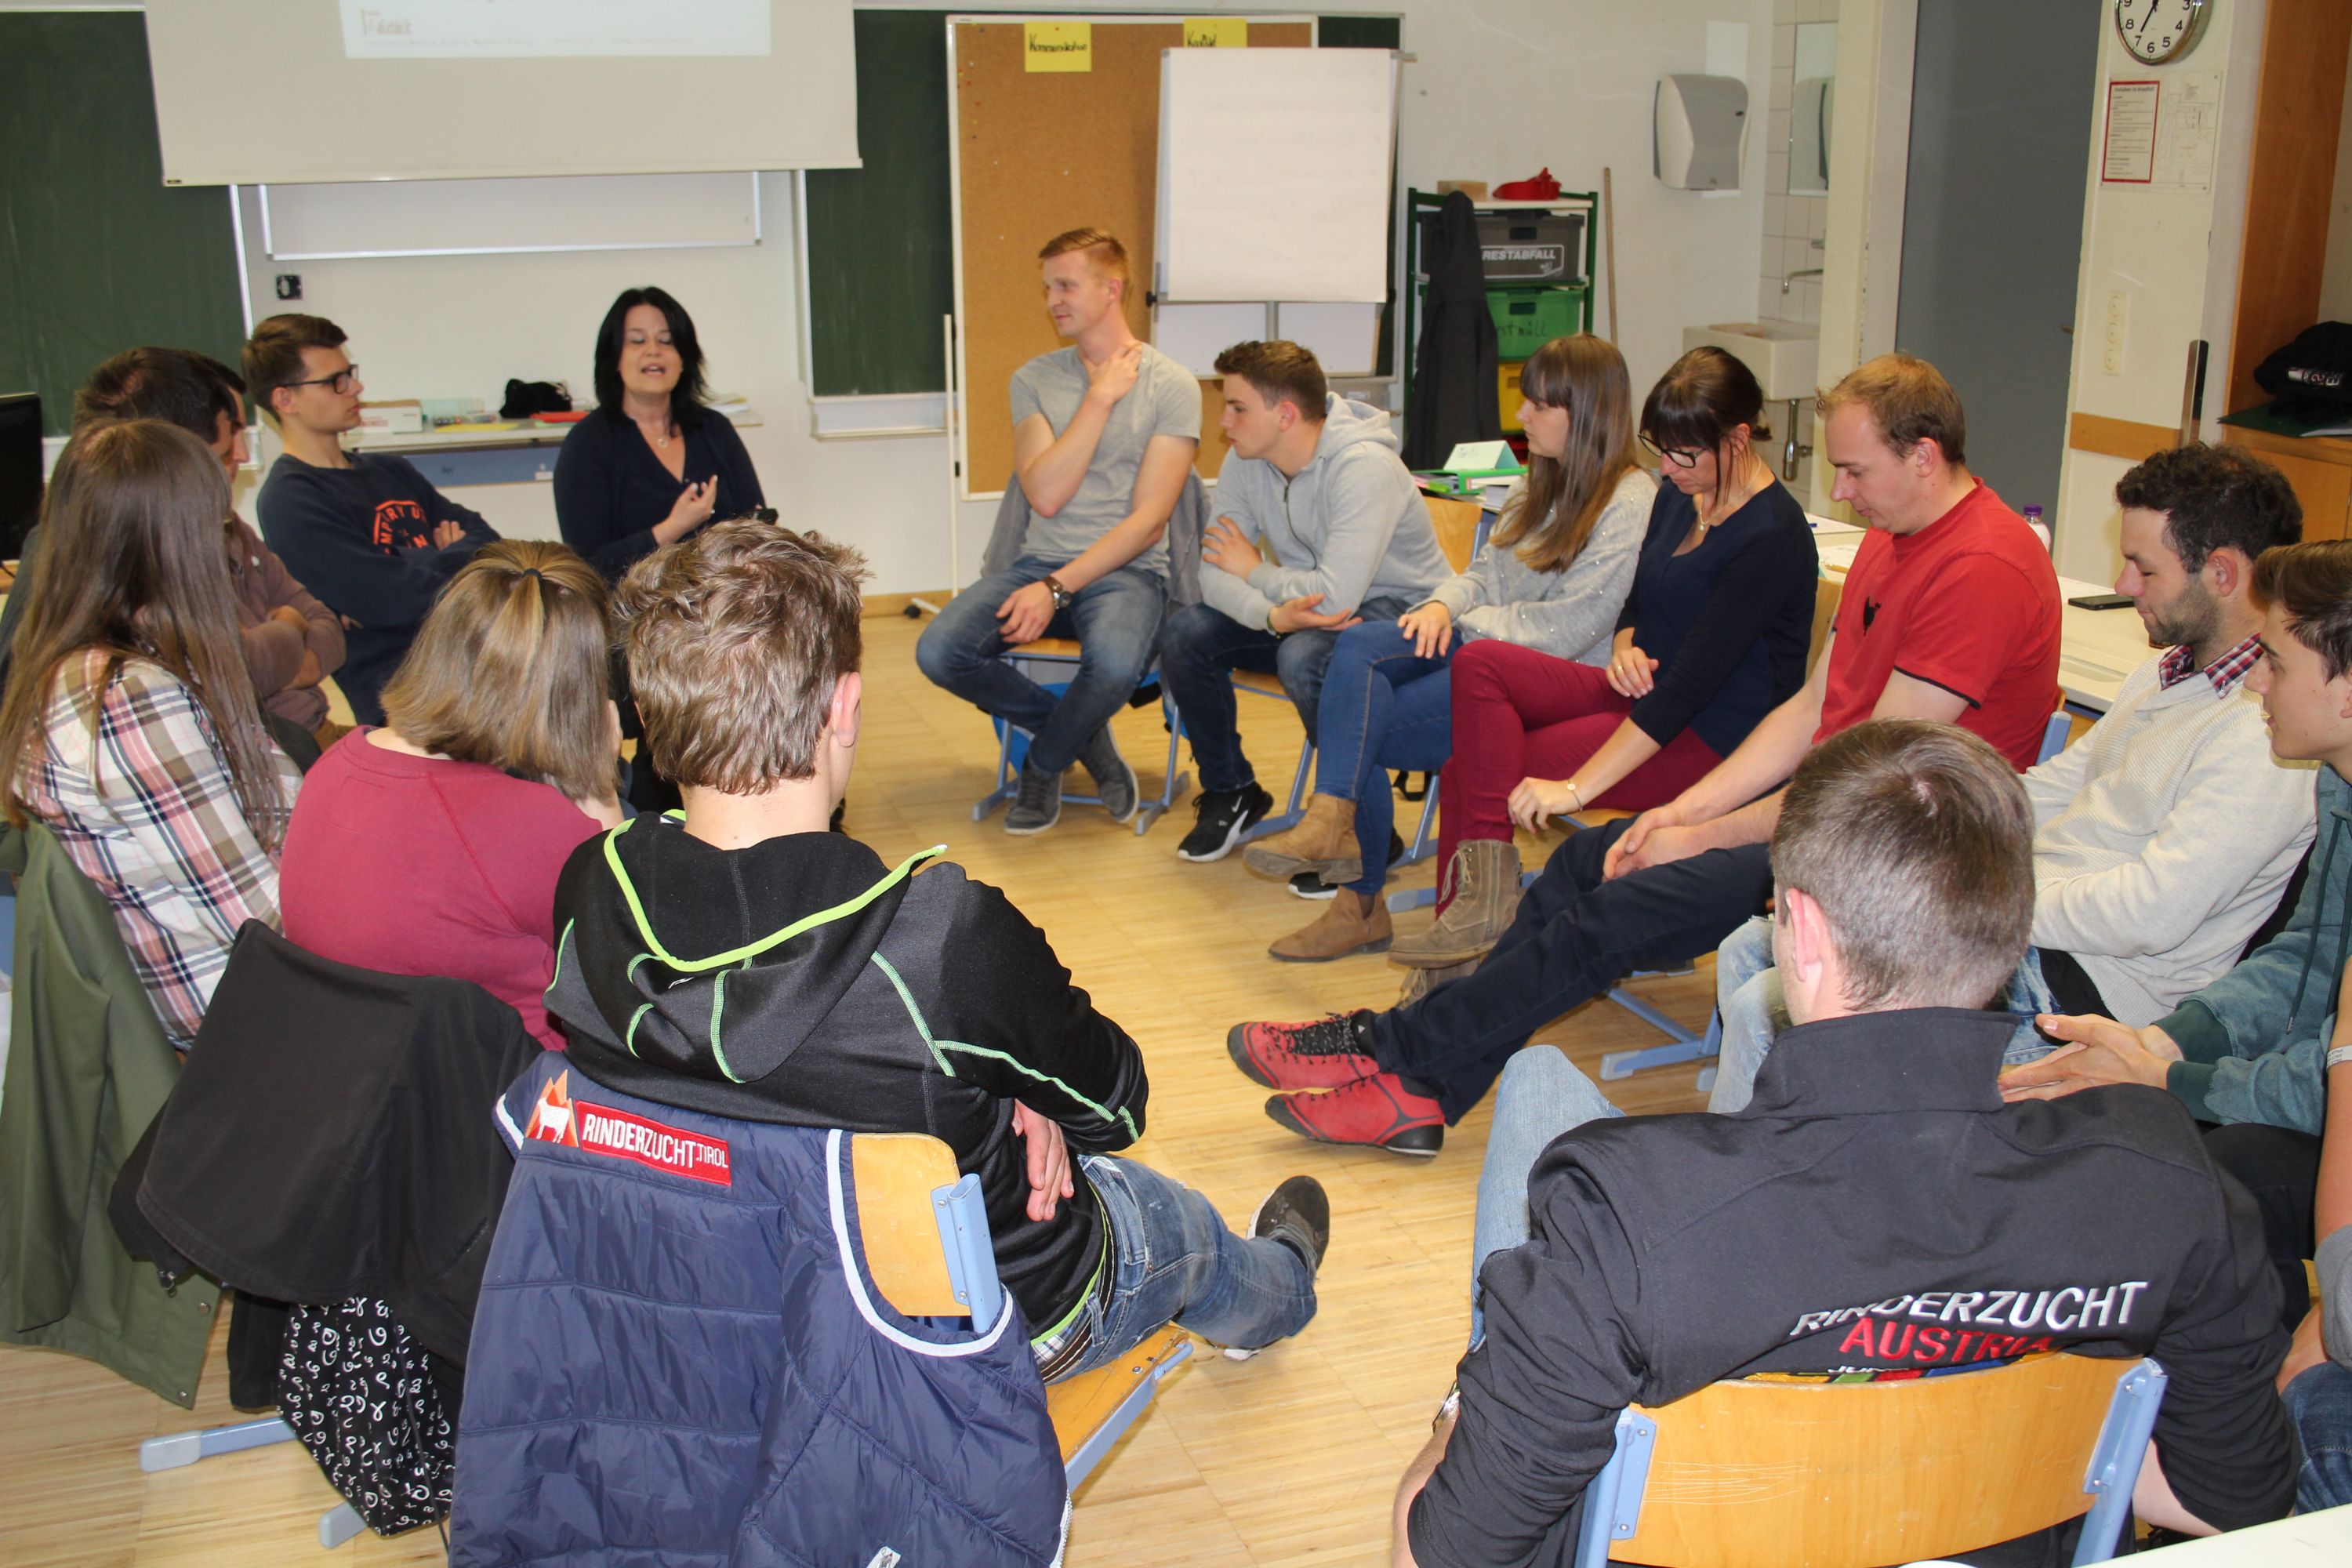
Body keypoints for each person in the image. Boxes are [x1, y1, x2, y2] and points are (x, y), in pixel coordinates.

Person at [1388, 720, 2297, 1567]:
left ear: (1806, 933)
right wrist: (2004, 1449)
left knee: (1541, 1079)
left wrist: (1472, 1398)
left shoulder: (1625, 1216)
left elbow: (1438, 1551)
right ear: (2008, 930)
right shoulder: (2167, 1185)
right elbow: (2230, 1500)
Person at [546, 517, 1327, 1380]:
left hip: (727, 1323)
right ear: (845, 707)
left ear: (647, 710)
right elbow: (1116, 1109)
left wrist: (995, 1071)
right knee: (1171, 1221)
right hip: (973, 1332)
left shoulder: (592, 887)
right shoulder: (940, 938)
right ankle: (1282, 1284)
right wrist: (1020, 1083)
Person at [1229, 353, 2061, 1155]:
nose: (1839, 491)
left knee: (1614, 909)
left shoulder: (1982, 566)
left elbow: (1871, 788)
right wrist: (1678, 812)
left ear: (1923, 456)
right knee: (1580, 865)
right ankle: (1419, 1087)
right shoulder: (1891, 533)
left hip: (1900, 864)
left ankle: (1392, 1052)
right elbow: (1809, 710)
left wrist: (1701, 834)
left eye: (1854, 470)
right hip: (1832, 822)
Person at [1711, 441, 2312, 1112]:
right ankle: (1806, 1139)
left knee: (1766, 1010)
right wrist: (1899, 862)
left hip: (2090, 993)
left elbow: (2149, 914)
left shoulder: (2266, 735)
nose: (2123, 585)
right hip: (2027, 937)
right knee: (1753, 949)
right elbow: (2048, 790)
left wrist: (1974, 903)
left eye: (2144, 568)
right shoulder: (2166, 672)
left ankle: (1777, 1156)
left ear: (2221, 573)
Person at [1384, 346, 1816, 978]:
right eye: (1659, 449)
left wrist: (1575, 789)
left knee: (1469, 771)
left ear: (1738, 439)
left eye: (1682, 454)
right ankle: (1479, 928)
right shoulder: (1683, 494)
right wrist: (1624, 645)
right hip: (1643, 695)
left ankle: (1467, 957)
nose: (1665, 468)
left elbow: (1689, 692)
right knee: (1482, 664)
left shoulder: (1770, 537)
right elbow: (1636, 601)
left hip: (1710, 736)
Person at [1234, 335, 1654, 961]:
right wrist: (1440, 605)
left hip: (1555, 681)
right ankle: (1336, 832)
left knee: (1355, 718)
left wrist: (1465, 623)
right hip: (1489, 650)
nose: (1521, 415)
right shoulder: (1537, 483)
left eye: (1540, 405)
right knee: (1356, 654)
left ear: (1587, 411)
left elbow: (1573, 627)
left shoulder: (1629, 499)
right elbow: (1482, 573)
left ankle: (1355, 892)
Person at [2002, 538, 2352, 1138]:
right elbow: (2305, 961)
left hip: (2099, 983)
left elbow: (2326, 1088)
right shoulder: (2337, 785)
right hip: (2100, 986)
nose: (2254, 681)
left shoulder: (2272, 754)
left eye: (2276, 663)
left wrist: (2167, 1077)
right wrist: (2162, 1044)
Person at [0, 420, 300, 1050]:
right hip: (240, 1012)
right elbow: (259, 918)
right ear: (175, 545)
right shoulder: (127, 698)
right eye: (215, 526)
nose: (225, 549)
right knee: (472, 1008)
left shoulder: (112, 661)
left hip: (245, 983)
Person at [277, 541, 621, 1051]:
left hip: (356, 1062)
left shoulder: (333, 765)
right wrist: (599, 782)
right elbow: (633, 963)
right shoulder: (531, 826)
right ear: (575, 690)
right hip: (512, 1083)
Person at [914, 228, 1200, 834]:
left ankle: (1043, 766)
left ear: (1112, 288)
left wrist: (1057, 589)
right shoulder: (1034, 379)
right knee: (939, 652)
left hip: (1127, 573)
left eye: (1065, 286)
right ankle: (1084, 739)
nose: (1052, 301)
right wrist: (1098, 400)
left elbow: (1149, 523)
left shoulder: (1172, 385)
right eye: (1048, 288)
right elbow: (1046, 494)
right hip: (1037, 564)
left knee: (1116, 669)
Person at [1157, 339, 1449, 869]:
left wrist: (1256, 573)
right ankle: (1232, 789)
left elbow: (1336, 597)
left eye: (1237, 408)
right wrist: (1271, 616)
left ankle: (1365, 831)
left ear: (1285, 414)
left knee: (1304, 658)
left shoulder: (1365, 466)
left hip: (1404, 620)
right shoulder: (1247, 459)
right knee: (1187, 633)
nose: (1224, 422)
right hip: (1301, 612)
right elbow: (1211, 573)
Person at [0, 348, 347, 766]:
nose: (241, 454)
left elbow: (324, 624)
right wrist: (290, 625)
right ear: (175, 453)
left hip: (299, 738)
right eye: (228, 438)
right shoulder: (108, 552)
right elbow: (233, 666)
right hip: (261, 756)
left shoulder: (227, 526)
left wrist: (285, 663)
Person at [247, 313, 500, 727]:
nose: (355, 388)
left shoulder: (392, 470)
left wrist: (411, 564)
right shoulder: (291, 499)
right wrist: (451, 560)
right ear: (285, 400)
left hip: (477, 666)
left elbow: (490, 543)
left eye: (351, 374)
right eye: (335, 381)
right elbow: (389, 598)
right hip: (409, 702)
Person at [553, 285, 764, 583]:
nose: (653, 350)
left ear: (684, 359)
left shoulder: (715, 429)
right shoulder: (588, 443)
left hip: (722, 602)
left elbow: (757, 526)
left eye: (666, 341)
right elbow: (587, 567)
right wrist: (671, 529)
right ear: (614, 358)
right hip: (634, 607)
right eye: (637, 341)